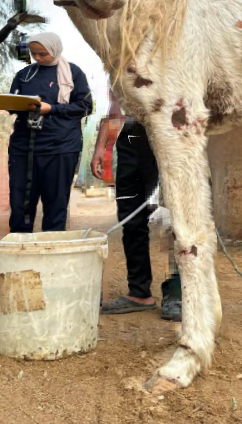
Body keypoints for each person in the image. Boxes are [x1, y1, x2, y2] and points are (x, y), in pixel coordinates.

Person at [93, 89, 182, 322]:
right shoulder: (120, 60)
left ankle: (176, 292)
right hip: (132, 138)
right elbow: (115, 106)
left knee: (172, 218)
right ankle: (139, 292)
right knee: (130, 218)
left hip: (172, 134)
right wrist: (101, 146)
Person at [8, 32, 92, 233]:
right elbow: (12, 101)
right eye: (33, 53)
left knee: (55, 204)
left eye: (42, 54)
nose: (37, 58)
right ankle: (20, 253)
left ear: (54, 50)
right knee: (20, 204)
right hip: (24, 147)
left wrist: (52, 109)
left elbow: (85, 106)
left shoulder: (73, 73)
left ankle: (51, 252)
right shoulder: (25, 74)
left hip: (61, 147)